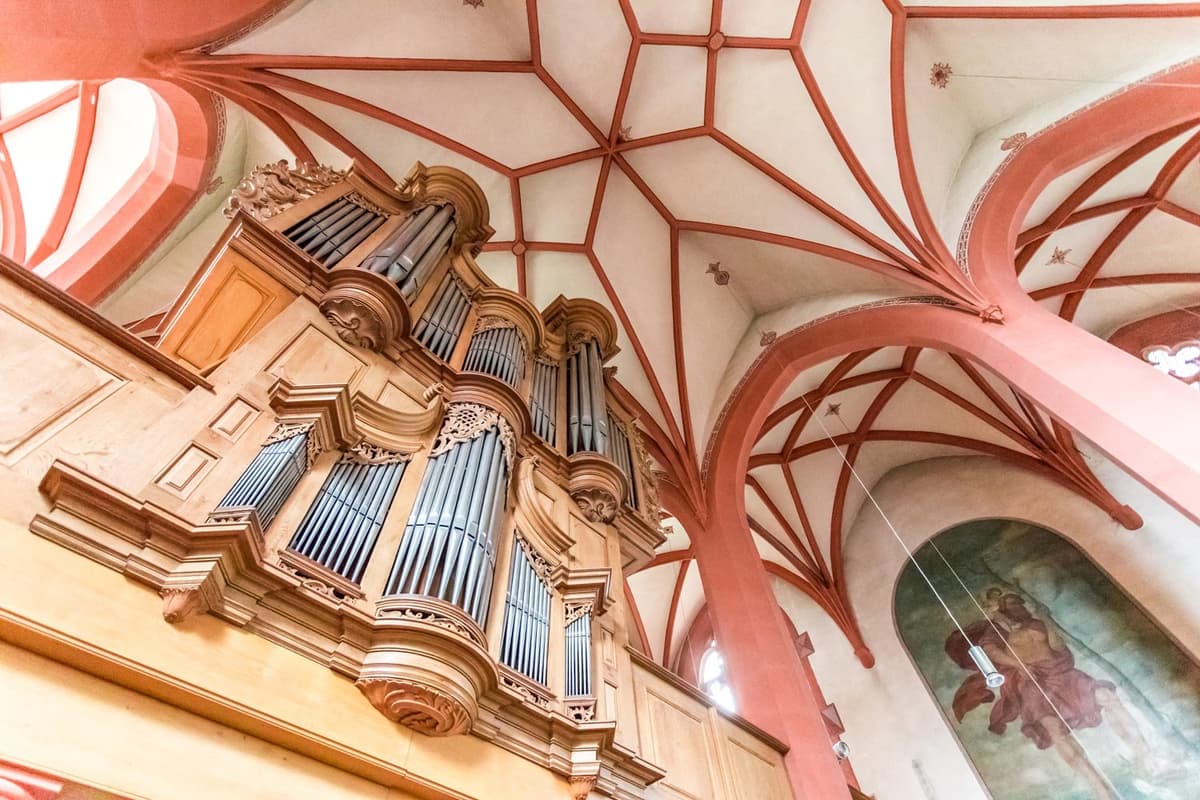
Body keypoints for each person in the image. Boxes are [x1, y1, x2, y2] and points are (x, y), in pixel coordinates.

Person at [946, 588, 1157, 800]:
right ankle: (1100, 789)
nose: (1017, 608)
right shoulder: (997, 630)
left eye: (1018, 603)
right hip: (1034, 683)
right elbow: (991, 651)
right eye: (1010, 605)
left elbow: (1058, 647)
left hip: (1062, 673)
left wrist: (1047, 620)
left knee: (1107, 697)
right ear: (1002, 610)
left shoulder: (1037, 623)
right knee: (1056, 731)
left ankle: (1145, 757)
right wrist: (1018, 665)